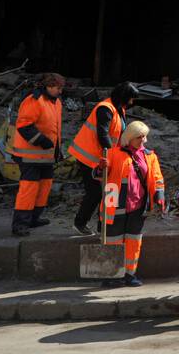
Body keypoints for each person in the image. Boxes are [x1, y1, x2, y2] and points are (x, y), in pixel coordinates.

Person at [69, 81, 138, 236]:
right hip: (91, 158)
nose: (132, 102)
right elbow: (103, 134)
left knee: (110, 191)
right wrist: (113, 155)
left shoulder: (119, 110)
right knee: (95, 193)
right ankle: (80, 223)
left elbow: (116, 134)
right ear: (124, 96)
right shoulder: (105, 108)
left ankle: (106, 226)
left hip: (105, 158)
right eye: (131, 98)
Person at [102, 120, 165, 288]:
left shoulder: (150, 155)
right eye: (140, 137)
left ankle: (129, 274)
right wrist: (101, 168)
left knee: (133, 241)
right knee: (113, 240)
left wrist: (159, 194)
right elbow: (99, 176)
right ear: (129, 138)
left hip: (138, 204)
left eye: (145, 137)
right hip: (113, 200)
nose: (144, 140)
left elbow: (157, 177)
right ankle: (112, 275)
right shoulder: (113, 153)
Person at [10, 73, 65, 237]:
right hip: (30, 157)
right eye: (58, 88)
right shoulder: (34, 100)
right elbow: (24, 125)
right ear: (48, 86)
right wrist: (42, 141)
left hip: (45, 156)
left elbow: (54, 129)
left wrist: (56, 151)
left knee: (44, 187)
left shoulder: (56, 103)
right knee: (29, 190)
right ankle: (20, 224)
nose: (60, 91)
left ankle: (34, 218)